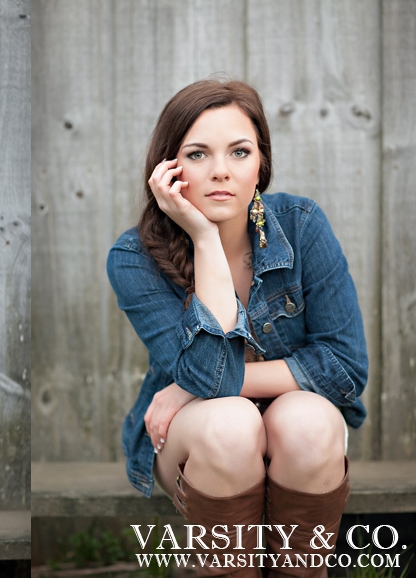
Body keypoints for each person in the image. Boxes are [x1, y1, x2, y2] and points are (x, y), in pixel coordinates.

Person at [107, 80, 367, 578]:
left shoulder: (302, 224)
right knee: (231, 423)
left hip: (297, 423)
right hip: (199, 436)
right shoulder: (134, 258)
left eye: (239, 151)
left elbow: (344, 368)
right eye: (198, 153)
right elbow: (208, 377)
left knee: (308, 422)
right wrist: (204, 237)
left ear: (260, 165)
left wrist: (192, 388)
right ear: (168, 168)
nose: (221, 171)